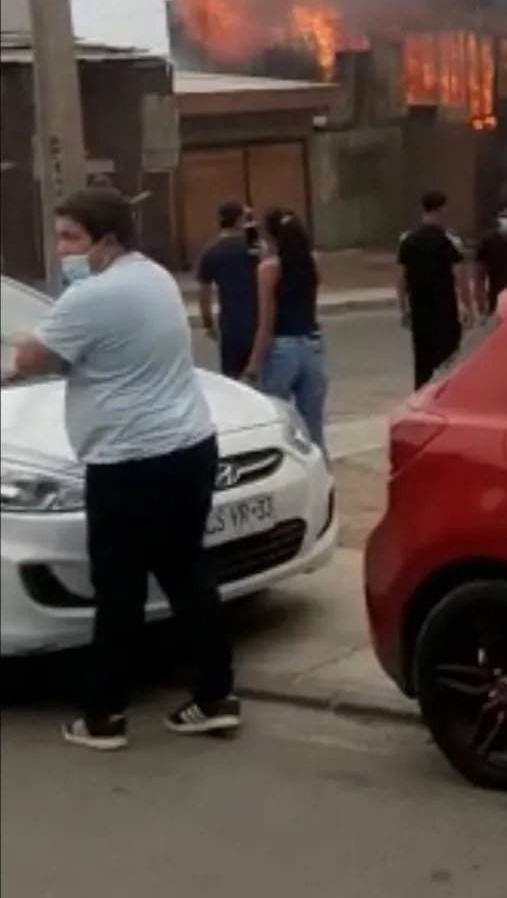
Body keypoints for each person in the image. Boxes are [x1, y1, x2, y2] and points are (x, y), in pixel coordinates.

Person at [4, 187, 238, 751]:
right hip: (189, 448)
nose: (62, 251)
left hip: (130, 463)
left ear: (106, 240)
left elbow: (29, 359)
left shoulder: (93, 298)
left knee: (118, 590)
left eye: (71, 238)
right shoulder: (154, 277)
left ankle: (104, 714)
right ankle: (214, 698)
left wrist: (20, 342)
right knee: (188, 576)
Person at [243, 208, 327, 453]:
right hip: (312, 344)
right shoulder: (312, 265)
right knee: (314, 428)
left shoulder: (268, 270)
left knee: (275, 422)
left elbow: (266, 321)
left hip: (282, 347)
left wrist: (252, 366)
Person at [397, 191, 474, 389]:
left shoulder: (408, 240)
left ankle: (423, 400)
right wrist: (467, 306)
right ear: (442, 210)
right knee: (449, 363)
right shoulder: (447, 241)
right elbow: (460, 276)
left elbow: (400, 277)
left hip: (419, 312)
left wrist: (403, 309)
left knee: (422, 364)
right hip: (444, 312)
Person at [196, 200, 260, 380]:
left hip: (230, 325)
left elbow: (204, 293)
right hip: (257, 322)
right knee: (260, 381)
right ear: (240, 220)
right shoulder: (252, 249)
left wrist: (208, 323)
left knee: (232, 381)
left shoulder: (211, 252)